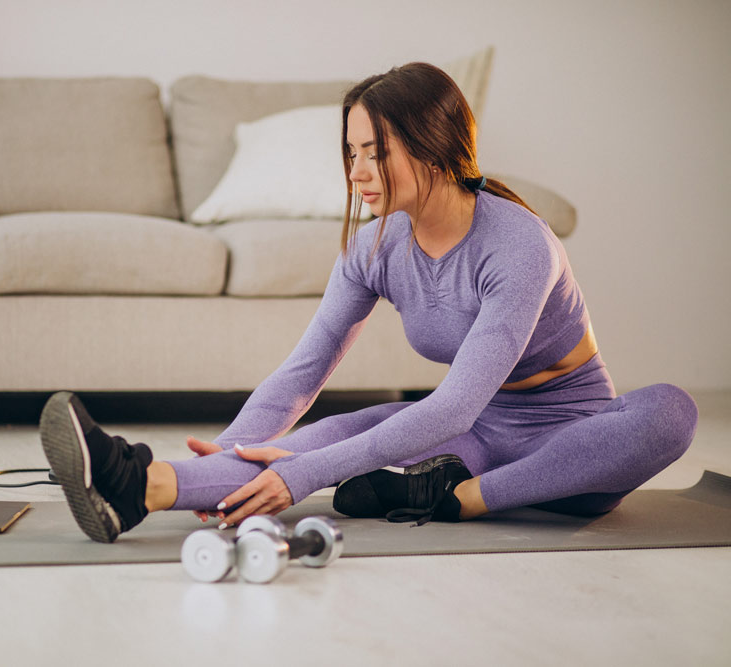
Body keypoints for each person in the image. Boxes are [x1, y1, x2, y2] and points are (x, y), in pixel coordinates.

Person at [39, 62, 699, 544]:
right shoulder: (373, 247)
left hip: (573, 450)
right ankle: (135, 485)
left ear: (435, 151)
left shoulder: (518, 245)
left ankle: (463, 501)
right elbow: (302, 372)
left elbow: (454, 403)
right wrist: (235, 449)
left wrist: (307, 476)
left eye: (374, 153)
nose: (355, 173)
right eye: (350, 152)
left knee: (671, 411)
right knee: (326, 434)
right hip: (472, 438)